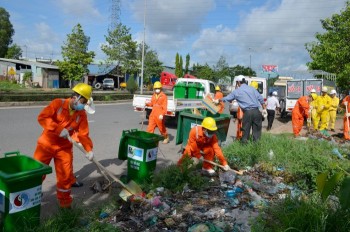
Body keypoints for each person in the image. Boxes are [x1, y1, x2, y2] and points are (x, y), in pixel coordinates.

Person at [33, 83, 94, 209]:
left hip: (64, 148)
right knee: (37, 174)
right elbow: (42, 117)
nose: (83, 105)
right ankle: (32, 198)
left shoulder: (81, 114)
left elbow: (83, 134)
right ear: (75, 97)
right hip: (46, 144)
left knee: (65, 178)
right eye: (83, 101)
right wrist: (58, 129)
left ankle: (65, 205)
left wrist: (89, 150)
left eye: (85, 102)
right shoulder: (58, 104)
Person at [214, 75, 267, 143]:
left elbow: (227, 98)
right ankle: (256, 147)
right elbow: (261, 99)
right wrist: (264, 109)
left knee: (245, 131)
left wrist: (218, 100)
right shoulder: (252, 89)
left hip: (248, 113)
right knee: (257, 132)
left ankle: (244, 147)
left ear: (238, 82)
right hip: (257, 112)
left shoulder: (237, 91)